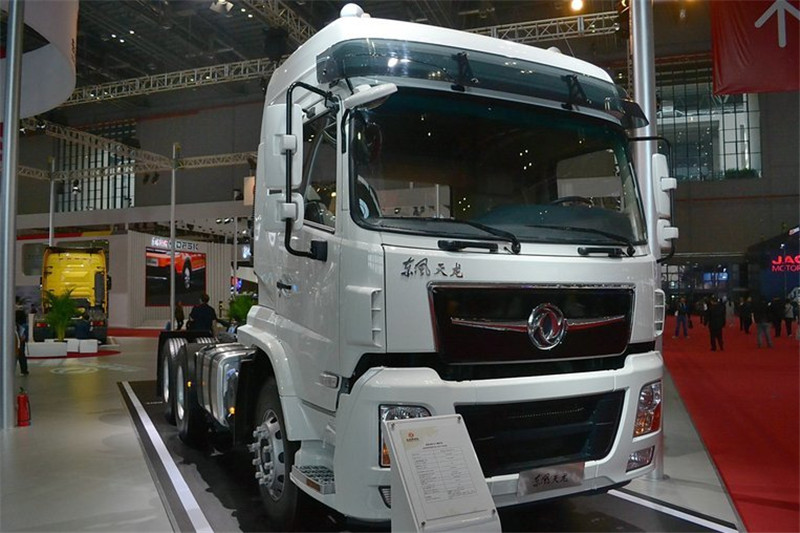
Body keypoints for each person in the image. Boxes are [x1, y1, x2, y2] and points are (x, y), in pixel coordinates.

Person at [15, 309, 29, 376]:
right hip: (21, 341)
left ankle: (23, 370)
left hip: (18, 340)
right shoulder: (25, 325)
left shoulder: (17, 325)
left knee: (20, 355)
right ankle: (24, 370)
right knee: (22, 355)